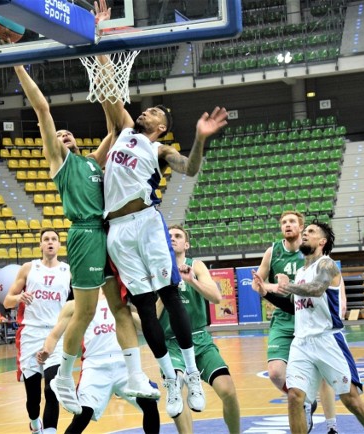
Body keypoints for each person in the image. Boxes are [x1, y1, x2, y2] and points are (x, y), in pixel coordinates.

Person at [13, 34, 158, 418]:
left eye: (67, 134)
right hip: (85, 234)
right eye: (58, 137)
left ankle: (135, 373)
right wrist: (18, 66)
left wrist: (104, 64)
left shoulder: (94, 162)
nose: (63, 135)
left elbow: (116, 126)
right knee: (86, 313)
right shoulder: (62, 166)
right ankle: (63, 376)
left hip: (108, 233)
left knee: (121, 309)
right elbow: (43, 110)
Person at [100, 73, 227, 417]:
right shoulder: (125, 130)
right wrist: (100, 52)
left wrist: (200, 138)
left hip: (147, 223)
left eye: (154, 111)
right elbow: (111, 91)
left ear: (161, 127)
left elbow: (190, 168)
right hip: (117, 229)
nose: (146, 112)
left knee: (169, 296)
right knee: (143, 306)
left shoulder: (159, 148)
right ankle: (170, 378)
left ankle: (193, 375)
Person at [252, 221, 364, 434]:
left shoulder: (327, 264)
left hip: (327, 340)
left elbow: (316, 289)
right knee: (295, 397)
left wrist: (286, 286)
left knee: (351, 400)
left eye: (310, 232)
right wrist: (266, 293)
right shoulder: (302, 273)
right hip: (302, 342)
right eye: (304, 232)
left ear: (322, 241)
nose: (305, 234)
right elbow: (293, 306)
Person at [252, 211, 343, 434]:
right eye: (283, 222)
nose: (287, 225)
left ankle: (332, 425)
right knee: (275, 373)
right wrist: (264, 289)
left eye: (292, 221)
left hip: (310, 318)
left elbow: (327, 282)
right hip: (284, 317)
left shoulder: (310, 253)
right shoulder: (273, 252)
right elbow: (259, 284)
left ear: (301, 227)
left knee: (323, 376)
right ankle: (305, 400)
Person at [37, 289, 160, 434]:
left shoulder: (122, 299)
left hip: (124, 364)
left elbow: (145, 325)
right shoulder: (74, 305)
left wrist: (128, 314)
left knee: (149, 404)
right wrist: (47, 351)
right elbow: (54, 335)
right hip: (95, 367)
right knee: (83, 415)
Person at [160, 225, 241, 433]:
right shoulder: (156, 268)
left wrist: (191, 281)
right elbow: (151, 313)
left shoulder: (196, 265)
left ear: (186, 244)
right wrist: (166, 287)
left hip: (200, 340)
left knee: (229, 391)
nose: (173, 238)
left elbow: (216, 297)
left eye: (178, 236)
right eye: (169, 236)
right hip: (172, 343)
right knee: (176, 388)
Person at [3, 228, 72, 434]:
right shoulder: (28, 268)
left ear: (59, 245)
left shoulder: (69, 271)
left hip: (56, 335)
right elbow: (7, 301)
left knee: (52, 389)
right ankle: (35, 424)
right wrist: (18, 298)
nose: (50, 242)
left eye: (54, 239)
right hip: (30, 335)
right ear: (40, 245)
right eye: (46, 239)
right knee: (33, 399)